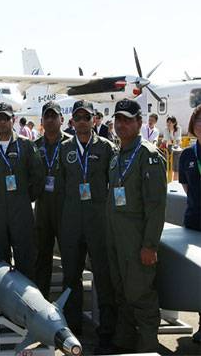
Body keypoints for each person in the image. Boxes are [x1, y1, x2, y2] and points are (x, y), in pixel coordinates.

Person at [107, 99, 166, 353]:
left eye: (128, 120)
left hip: (137, 241)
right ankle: (124, 344)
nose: (122, 125)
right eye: (118, 120)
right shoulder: (117, 157)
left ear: (140, 123)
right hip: (117, 240)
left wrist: (149, 245)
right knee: (122, 294)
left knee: (141, 297)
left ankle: (147, 348)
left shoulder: (148, 157)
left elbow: (156, 206)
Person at [58, 100, 117, 352]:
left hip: (97, 222)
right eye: (78, 117)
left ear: (94, 120)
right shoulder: (64, 149)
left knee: (103, 277)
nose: (82, 121)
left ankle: (106, 332)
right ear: (72, 121)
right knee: (70, 277)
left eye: (87, 117)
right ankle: (73, 329)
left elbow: (114, 185)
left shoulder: (106, 149)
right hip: (72, 221)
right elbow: (60, 185)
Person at [0, 103, 44, 279]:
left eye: (6, 118)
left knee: (25, 258)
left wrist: (26, 197)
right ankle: (3, 304)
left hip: (21, 211)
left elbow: (38, 176)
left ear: (12, 120)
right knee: (0, 259)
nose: (2, 122)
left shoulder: (26, 146)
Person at [32, 101, 71, 298]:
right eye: (46, 116)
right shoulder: (35, 147)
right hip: (42, 209)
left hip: (65, 210)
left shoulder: (70, 145)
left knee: (70, 260)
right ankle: (41, 302)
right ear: (41, 121)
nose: (49, 120)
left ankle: (70, 309)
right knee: (42, 258)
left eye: (53, 116)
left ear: (61, 119)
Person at [179, 106, 201, 343]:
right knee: (198, 275)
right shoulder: (187, 155)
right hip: (195, 221)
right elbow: (186, 187)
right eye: (199, 120)